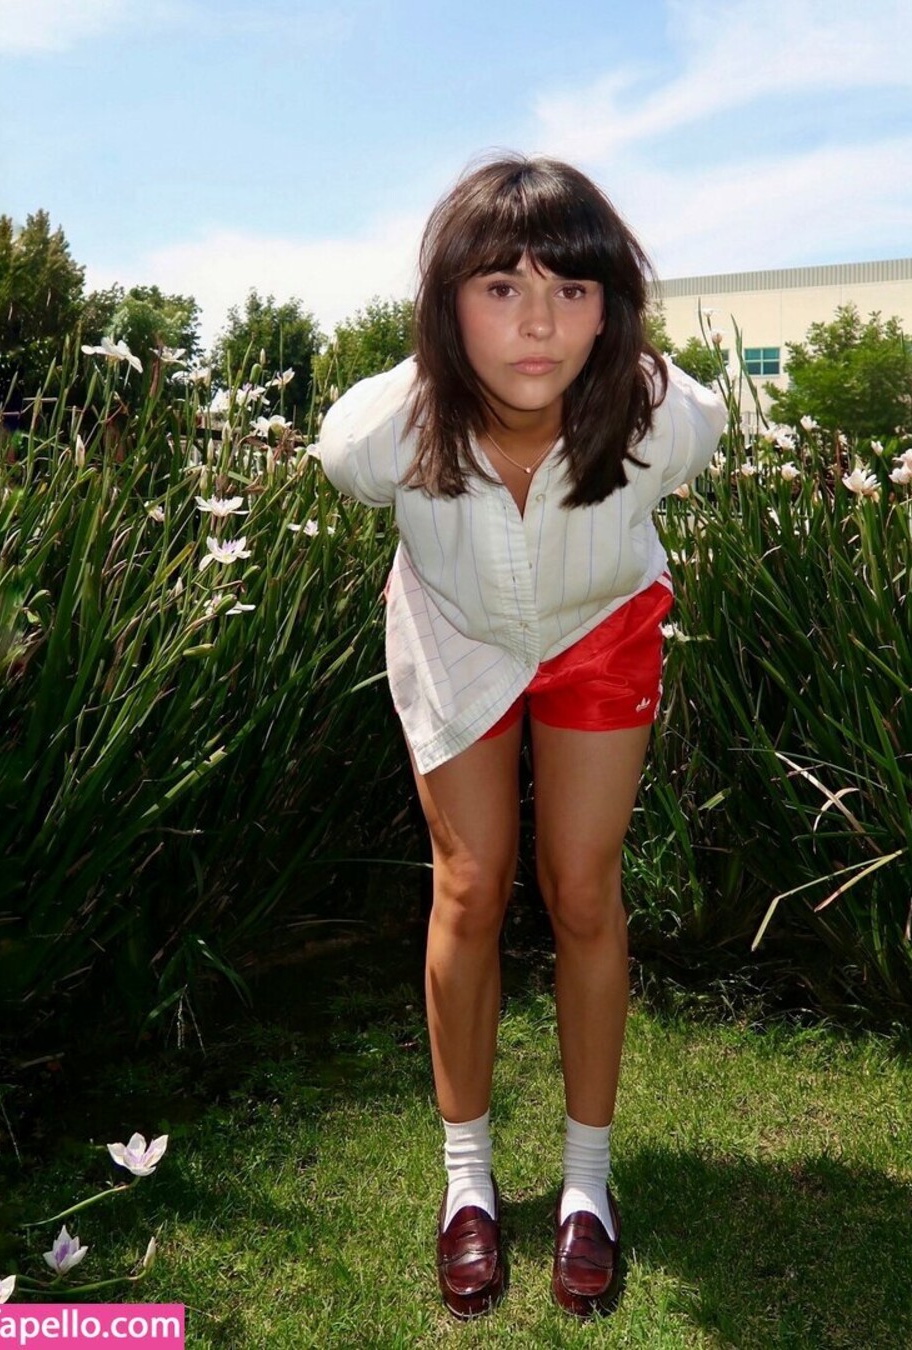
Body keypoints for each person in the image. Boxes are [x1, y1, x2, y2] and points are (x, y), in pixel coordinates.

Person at [318, 153, 725, 1320]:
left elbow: (696, 420)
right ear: (448, 303)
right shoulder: (376, 436)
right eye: (501, 287)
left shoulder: (667, 420)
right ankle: (469, 1183)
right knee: (470, 884)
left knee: (583, 889)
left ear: (611, 308)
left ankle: (587, 1189)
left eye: (571, 289)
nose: (539, 324)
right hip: (456, 632)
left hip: (600, 629)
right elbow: (362, 468)